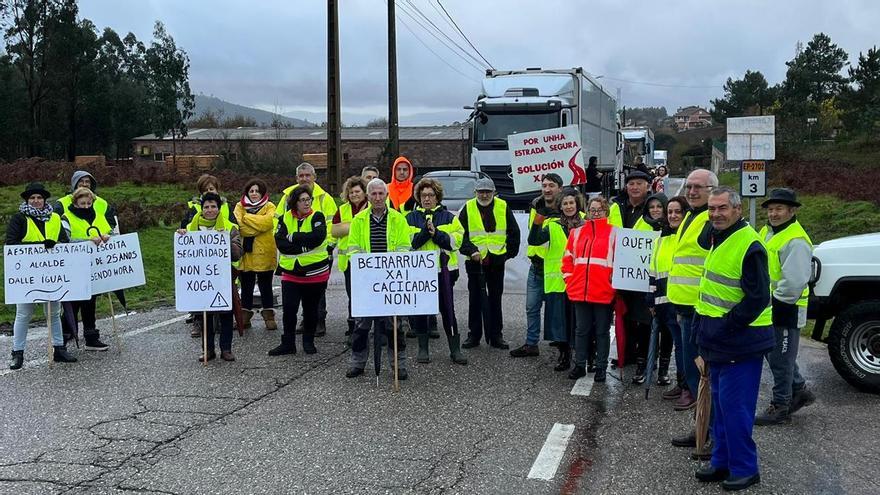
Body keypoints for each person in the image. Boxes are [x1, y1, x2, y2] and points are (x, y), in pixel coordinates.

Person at [693, 186, 773, 491]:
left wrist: (727, 325)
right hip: (719, 341)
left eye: (722, 208)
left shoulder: (748, 244)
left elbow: (756, 298)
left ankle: (745, 468)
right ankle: (721, 462)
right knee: (722, 408)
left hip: (741, 341)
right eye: (711, 209)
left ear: (738, 210)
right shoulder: (719, 237)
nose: (715, 214)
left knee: (737, 410)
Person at [755, 188, 816, 425]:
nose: (773, 213)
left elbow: (794, 281)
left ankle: (780, 406)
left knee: (780, 358)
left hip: (785, 306)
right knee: (776, 355)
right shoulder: (767, 232)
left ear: (792, 211)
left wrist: (775, 301)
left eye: (779, 209)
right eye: (771, 209)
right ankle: (799, 389)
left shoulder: (796, 240)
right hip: (770, 304)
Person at [668, 169, 717, 459]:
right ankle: (700, 427)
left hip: (701, 309)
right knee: (691, 372)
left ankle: (709, 433)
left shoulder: (709, 220)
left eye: (699, 187)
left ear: (713, 189)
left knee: (703, 376)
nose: (692, 191)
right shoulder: (691, 215)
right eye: (689, 186)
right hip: (684, 307)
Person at [6, 183, 77, 369]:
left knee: (53, 312)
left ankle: (59, 349)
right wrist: (38, 247)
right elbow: (11, 244)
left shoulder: (55, 218)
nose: (36, 201)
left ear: (44, 200)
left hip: (51, 273)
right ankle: (17, 352)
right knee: (23, 314)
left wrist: (56, 244)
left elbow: (64, 241)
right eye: (32, 198)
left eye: (39, 198)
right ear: (27, 200)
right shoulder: (19, 219)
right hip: (27, 275)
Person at [345, 178, 411, 379]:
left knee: (394, 326)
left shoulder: (398, 219)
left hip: (391, 281)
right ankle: (357, 363)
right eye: (373, 194)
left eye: (381, 193)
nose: (377, 197)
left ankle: (398, 365)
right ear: (368, 196)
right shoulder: (359, 220)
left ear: (387, 195)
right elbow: (353, 249)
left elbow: (404, 247)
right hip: (366, 282)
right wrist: (367, 266)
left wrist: (388, 265)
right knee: (361, 325)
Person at [406, 178, 468, 365]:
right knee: (421, 312)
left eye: (431, 195)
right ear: (418, 197)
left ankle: (454, 349)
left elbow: (455, 242)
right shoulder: (409, 218)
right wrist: (426, 232)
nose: (427, 199)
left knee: (448, 310)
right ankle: (423, 348)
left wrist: (436, 234)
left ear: (437, 197)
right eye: (423, 195)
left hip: (445, 271)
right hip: (420, 273)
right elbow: (410, 243)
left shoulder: (450, 217)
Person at [177, 193, 243, 362]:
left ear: (219, 208)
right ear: (202, 208)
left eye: (213, 206)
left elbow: (237, 254)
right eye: (206, 206)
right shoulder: (192, 226)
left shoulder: (229, 226)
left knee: (225, 315)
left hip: (223, 280)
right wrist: (182, 235)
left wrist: (224, 240)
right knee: (205, 316)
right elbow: (183, 251)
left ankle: (226, 349)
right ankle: (208, 350)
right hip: (202, 280)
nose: (210, 210)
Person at [458, 178, 520, 350]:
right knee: (475, 299)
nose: (484, 195)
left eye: (488, 192)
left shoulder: (502, 206)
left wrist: (508, 254)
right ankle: (474, 335)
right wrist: (471, 251)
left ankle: (496, 336)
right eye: (481, 192)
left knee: (495, 298)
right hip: (475, 260)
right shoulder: (468, 207)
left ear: (494, 192)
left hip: (496, 260)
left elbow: (514, 232)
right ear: (475, 193)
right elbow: (460, 235)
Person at [268, 186, 330, 357]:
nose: (306, 202)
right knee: (289, 309)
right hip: (291, 274)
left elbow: (317, 238)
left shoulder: (317, 216)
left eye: (308, 199)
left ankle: (308, 341)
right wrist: (303, 246)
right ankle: (288, 343)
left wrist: (293, 237)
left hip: (315, 273)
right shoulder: (285, 218)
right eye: (302, 200)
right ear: (294, 202)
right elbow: (281, 243)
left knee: (311, 310)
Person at [528, 187, 585, 371]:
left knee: (579, 321)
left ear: (577, 204)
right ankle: (564, 355)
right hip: (559, 281)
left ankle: (583, 356)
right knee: (560, 322)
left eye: (571, 203)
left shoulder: (585, 224)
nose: (569, 206)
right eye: (565, 203)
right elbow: (534, 240)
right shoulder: (552, 225)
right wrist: (538, 219)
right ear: (560, 206)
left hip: (580, 281)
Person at [278, 162, 337, 336]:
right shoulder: (287, 197)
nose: (304, 179)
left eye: (307, 175)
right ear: (296, 178)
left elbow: (331, 226)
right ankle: (305, 321)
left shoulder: (325, 198)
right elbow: (278, 222)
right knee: (295, 293)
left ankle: (319, 321)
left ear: (314, 177)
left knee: (318, 292)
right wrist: (296, 245)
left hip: (319, 253)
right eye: (301, 176)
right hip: (294, 257)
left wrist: (327, 246)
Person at [562, 195, 616, 382]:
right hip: (579, 291)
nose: (595, 213)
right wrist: (569, 281)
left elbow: (619, 263)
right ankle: (580, 365)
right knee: (581, 330)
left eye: (599, 210)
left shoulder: (614, 233)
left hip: (603, 291)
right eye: (592, 210)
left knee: (601, 331)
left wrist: (612, 286)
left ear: (606, 212)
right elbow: (567, 260)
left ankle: (601, 367)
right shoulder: (576, 233)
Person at [511, 173, 562, 358]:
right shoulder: (536, 206)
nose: (547, 189)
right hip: (537, 267)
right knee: (531, 307)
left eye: (552, 185)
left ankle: (562, 342)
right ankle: (531, 344)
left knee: (557, 310)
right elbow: (534, 235)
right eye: (544, 185)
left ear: (560, 189)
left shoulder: (568, 208)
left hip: (557, 269)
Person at [61, 186, 118, 351]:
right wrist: (87, 242)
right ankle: (62, 340)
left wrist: (108, 237)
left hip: (95, 268)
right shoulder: (67, 217)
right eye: (82, 203)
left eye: (88, 203)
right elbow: (65, 241)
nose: (86, 206)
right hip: (74, 267)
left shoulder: (99, 215)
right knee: (73, 304)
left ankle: (91, 337)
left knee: (90, 302)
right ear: (75, 203)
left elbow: (111, 234)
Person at [181, 174, 237, 338]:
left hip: (220, 262)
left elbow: (234, 226)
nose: (208, 193)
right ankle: (199, 321)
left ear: (217, 190)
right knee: (200, 293)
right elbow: (185, 228)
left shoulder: (227, 207)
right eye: (205, 190)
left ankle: (223, 323)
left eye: (211, 189)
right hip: (200, 263)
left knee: (221, 296)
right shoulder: (193, 208)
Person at [610, 170, 654, 374]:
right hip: (621, 272)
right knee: (624, 315)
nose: (634, 187)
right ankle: (626, 354)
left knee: (644, 318)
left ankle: (643, 358)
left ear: (647, 187)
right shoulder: (616, 207)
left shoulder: (653, 208)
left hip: (645, 273)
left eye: (639, 183)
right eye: (631, 183)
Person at [655, 196, 690, 398]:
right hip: (667, 302)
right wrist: (652, 299)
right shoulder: (663, 237)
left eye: (677, 211)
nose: (673, 215)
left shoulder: (688, 236)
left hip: (686, 301)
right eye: (670, 212)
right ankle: (683, 383)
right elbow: (655, 268)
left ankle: (690, 387)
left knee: (688, 347)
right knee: (680, 346)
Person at [233, 179, 278, 331]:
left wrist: (247, 219)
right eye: (251, 191)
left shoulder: (270, 206)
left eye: (257, 191)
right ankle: (244, 317)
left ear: (262, 193)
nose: (253, 194)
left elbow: (268, 223)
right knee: (246, 285)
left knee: (266, 286)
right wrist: (258, 226)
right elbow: (239, 227)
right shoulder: (239, 206)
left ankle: (269, 317)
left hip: (265, 252)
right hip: (247, 253)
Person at [331, 176, 370, 339]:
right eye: (351, 192)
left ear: (364, 192)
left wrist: (347, 226)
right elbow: (334, 231)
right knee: (353, 296)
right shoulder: (342, 209)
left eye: (357, 191)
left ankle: (371, 328)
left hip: (368, 260)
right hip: (349, 262)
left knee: (369, 296)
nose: (354, 195)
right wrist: (356, 223)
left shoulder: (371, 206)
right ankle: (353, 327)